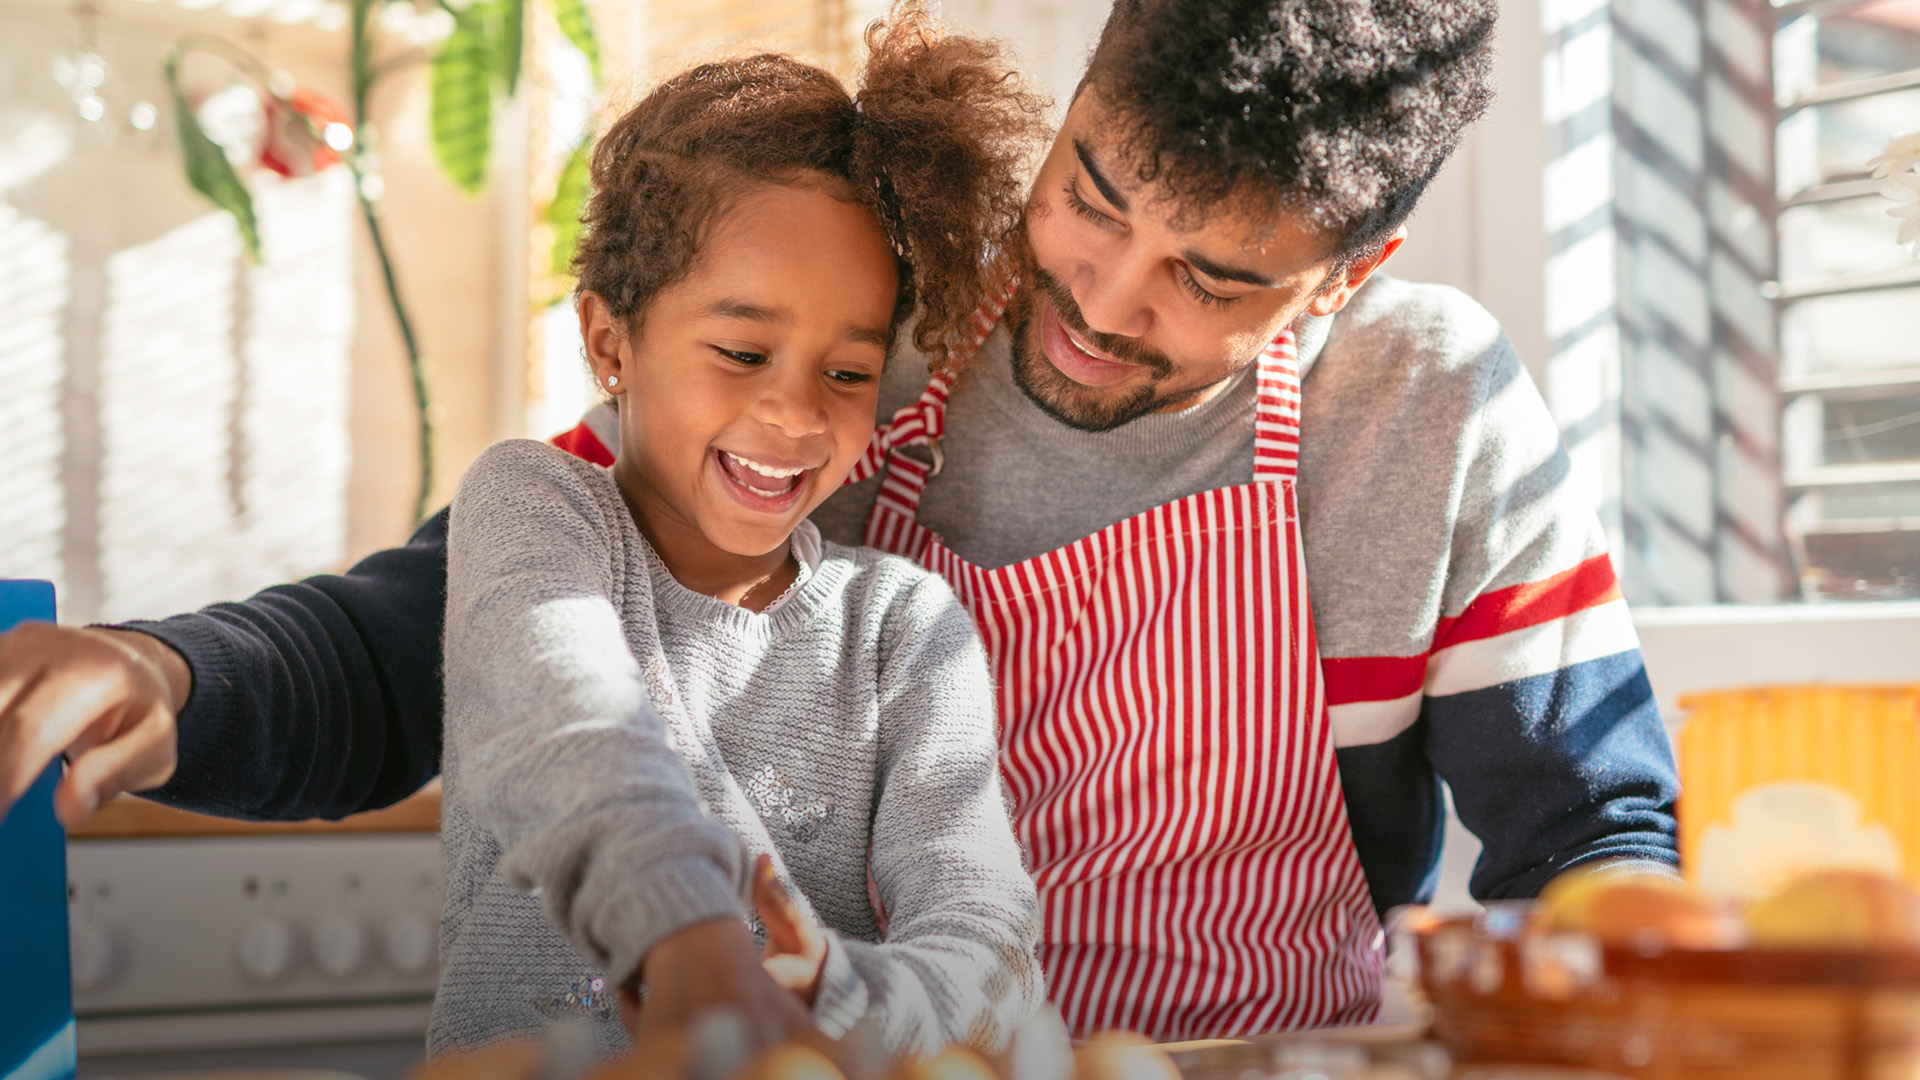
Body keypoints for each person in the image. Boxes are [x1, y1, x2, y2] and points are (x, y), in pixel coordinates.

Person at [0, 0, 1680, 1046]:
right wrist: (175, 679)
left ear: (1349, 273)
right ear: (1084, 80)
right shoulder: (868, 339)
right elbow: (457, 628)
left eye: (1212, 278)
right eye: (1091, 191)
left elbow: (1594, 839)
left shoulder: (1427, 408)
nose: (1097, 297)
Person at [429, 24, 1044, 1058]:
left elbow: (989, 948)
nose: (797, 414)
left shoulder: (902, 628)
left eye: (848, 373)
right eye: (743, 350)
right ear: (609, 340)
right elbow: (573, 727)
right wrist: (691, 941)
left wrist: (836, 993)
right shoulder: (533, 507)